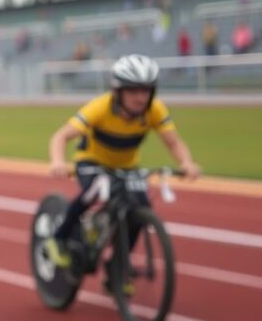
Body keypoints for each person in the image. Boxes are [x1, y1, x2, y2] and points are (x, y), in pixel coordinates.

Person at [44, 54, 201, 278]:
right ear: (118, 91)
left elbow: (173, 142)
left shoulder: (155, 110)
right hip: (92, 162)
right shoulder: (99, 107)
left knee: (141, 208)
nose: (140, 98)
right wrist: (58, 161)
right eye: (133, 90)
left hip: (127, 167)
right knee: (92, 192)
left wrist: (186, 163)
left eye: (146, 91)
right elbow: (60, 137)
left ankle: (117, 265)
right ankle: (58, 238)